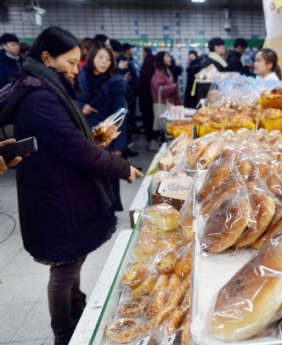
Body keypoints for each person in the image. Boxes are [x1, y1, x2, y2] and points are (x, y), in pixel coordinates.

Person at [0, 26, 142, 345]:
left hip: (60, 189)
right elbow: (77, 150)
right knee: (64, 268)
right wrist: (122, 167)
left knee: (72, 260)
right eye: (71, 61)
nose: (76, 68)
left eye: (79, 61)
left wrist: (94, 138)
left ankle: (77, 313)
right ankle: (64, 332)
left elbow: (67, 141)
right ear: (47, 57)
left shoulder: (48, 87)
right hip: (54, 196)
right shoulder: (39, 98)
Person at [76, 42, 130, 225]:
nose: (104, 62)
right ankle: (91, 210)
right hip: (83, 134)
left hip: (107, 137)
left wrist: (120, 145)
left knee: (108, 175)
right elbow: (68, 101)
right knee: (87, 175)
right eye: (100, 57)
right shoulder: (79, 78)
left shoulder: (115, 83)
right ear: (91, 58)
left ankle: (109, 212)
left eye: (108, 58)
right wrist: (80, 106)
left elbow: (121, 116)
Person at [151, 51, 182, 140]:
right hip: (164, 104)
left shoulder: (167, 71)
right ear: (161, 59)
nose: (170, 58)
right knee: (168, 128)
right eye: (167, 56)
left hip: (170, 103)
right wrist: (173, 87)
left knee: (170, 128)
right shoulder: (159, 73)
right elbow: (160, 90)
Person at [139, 52, 158, 151]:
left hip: (144, 100)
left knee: (148, 121)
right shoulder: (149, 72)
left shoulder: (143, 70)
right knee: (151, 121)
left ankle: (149, 140)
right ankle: (151, 142)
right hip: (149, 100)